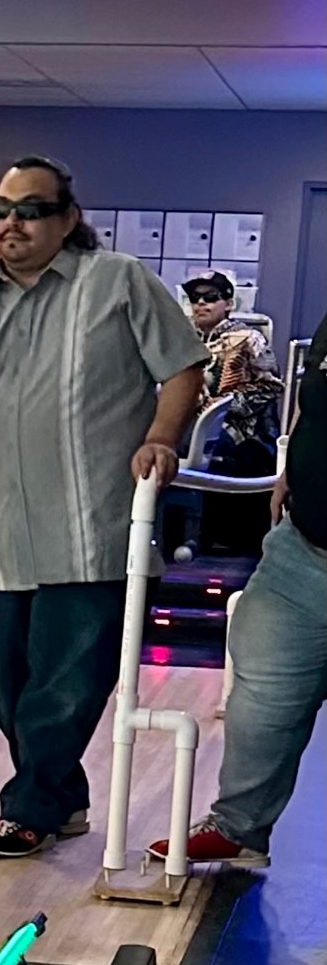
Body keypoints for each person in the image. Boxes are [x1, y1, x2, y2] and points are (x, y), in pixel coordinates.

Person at [0, 154, 208, 858]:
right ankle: (60, 798)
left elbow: (182, 364)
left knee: (63, 686)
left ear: (67, 219)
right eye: (2, 209)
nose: (11, 224)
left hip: (93, 525)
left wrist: (160, 437)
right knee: (5, 683)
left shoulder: (116, 283)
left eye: (30, 210)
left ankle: (25, 808)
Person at [149, 312, 327, 868]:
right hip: (305, 545)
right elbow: (313, 394)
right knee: (261, 697)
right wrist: (290, 467)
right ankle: (239, 827)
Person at [183, 270, 283, 473]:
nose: (201, 303)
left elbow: (271, 387)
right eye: (195, 298)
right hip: (197, 427)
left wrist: (223, 405)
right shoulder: (186, 340)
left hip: (244, 437)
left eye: (211, 297)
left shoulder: (249, 338)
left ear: (229, 304)